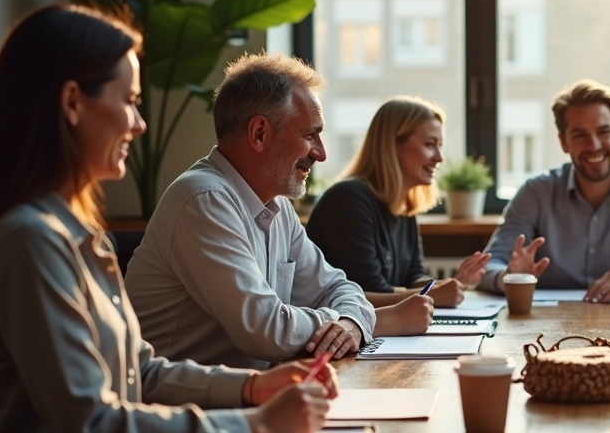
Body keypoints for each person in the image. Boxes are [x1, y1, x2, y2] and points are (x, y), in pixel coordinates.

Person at [0, 5, 336, 433]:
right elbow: (94, 427)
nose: (139, 124)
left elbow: (139, 372)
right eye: (129, 101)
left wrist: (251, 386)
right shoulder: (30, 240)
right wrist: (258, 426)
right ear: (72, 103)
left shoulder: (75, 230)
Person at [126, 53, 429, 371]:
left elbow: (337, 288)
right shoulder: (204, 200)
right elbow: (266, 332)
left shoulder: (277, 206)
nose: (321, 154)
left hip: (251, 396)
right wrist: (346, 321)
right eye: (310, 134)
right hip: (184, 409)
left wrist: (354, 319)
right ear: (259, 133)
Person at [476, 79, 610, 302]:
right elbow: (488, 266)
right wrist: (510, 277)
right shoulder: (535, 193)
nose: (594, 145)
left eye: (604, 132)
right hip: (546, 324)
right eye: (580, 135)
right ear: (563, 142)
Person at [306, 96, 491, 308]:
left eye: (440, 145)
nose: (439, 157)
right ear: (393, 146)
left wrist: (449, 286)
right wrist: (432, 295)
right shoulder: (349, 200)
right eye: (430, 145)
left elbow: (413, 277)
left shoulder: (404, 206)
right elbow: (368, 294)